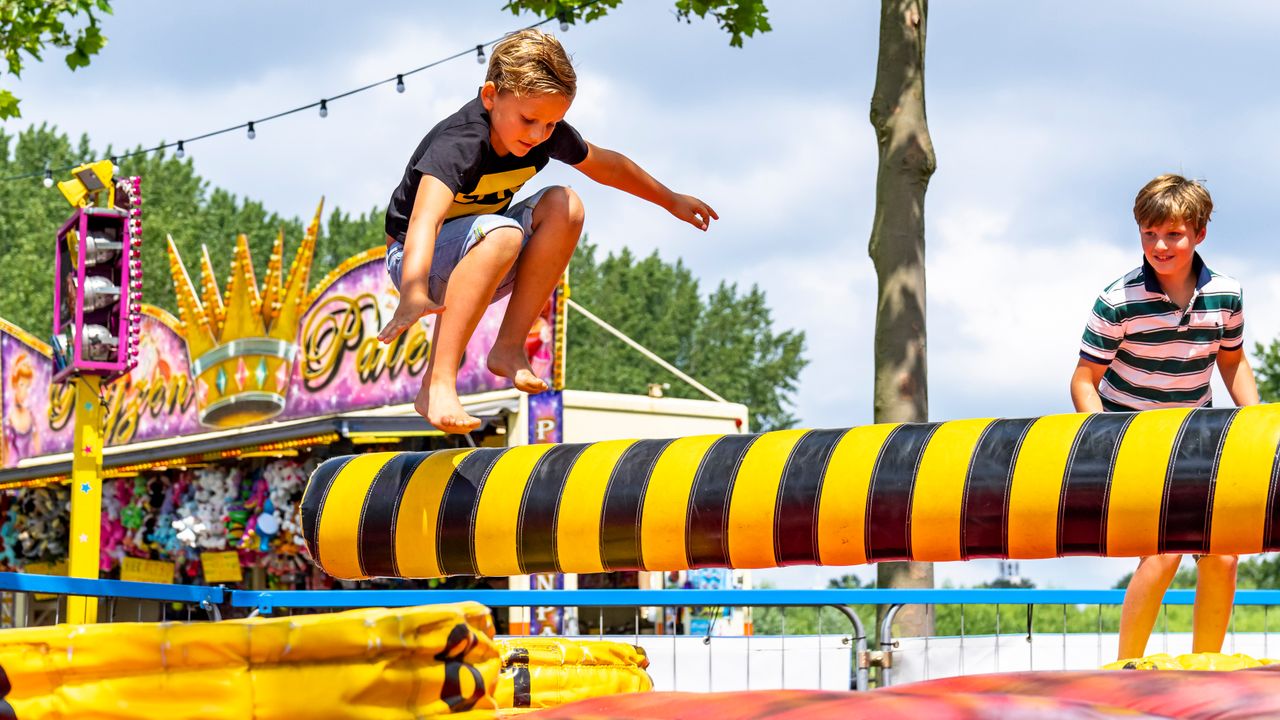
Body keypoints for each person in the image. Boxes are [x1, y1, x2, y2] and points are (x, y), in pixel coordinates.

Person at [377, 29, 717, 433]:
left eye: (552, 123)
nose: (539, 135)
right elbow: (424, 220)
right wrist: (413, 290)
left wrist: (670, 199)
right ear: (490, 97)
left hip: (486, 255)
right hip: (417, 260)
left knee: (565, 205)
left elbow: (608, 165)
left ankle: (508, 347)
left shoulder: (544, 135)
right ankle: (437, 385)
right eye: (528, 120)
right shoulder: (461, 142)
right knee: (502, 232)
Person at [1069, 174, 1260, 660]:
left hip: (1195, 434)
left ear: (1198, 234)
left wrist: (1257, 428)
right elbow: (1084, 380)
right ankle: (1127, 661)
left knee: (1223, 554)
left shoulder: (1226, 295)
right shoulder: (1118, 300)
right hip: (1131, 434)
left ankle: (1206, 664)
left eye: (1173, 234)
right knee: (1164, 550)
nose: (1160, 245)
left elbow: (1232, 362)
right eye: (1149, 234)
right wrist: (1107, 438)